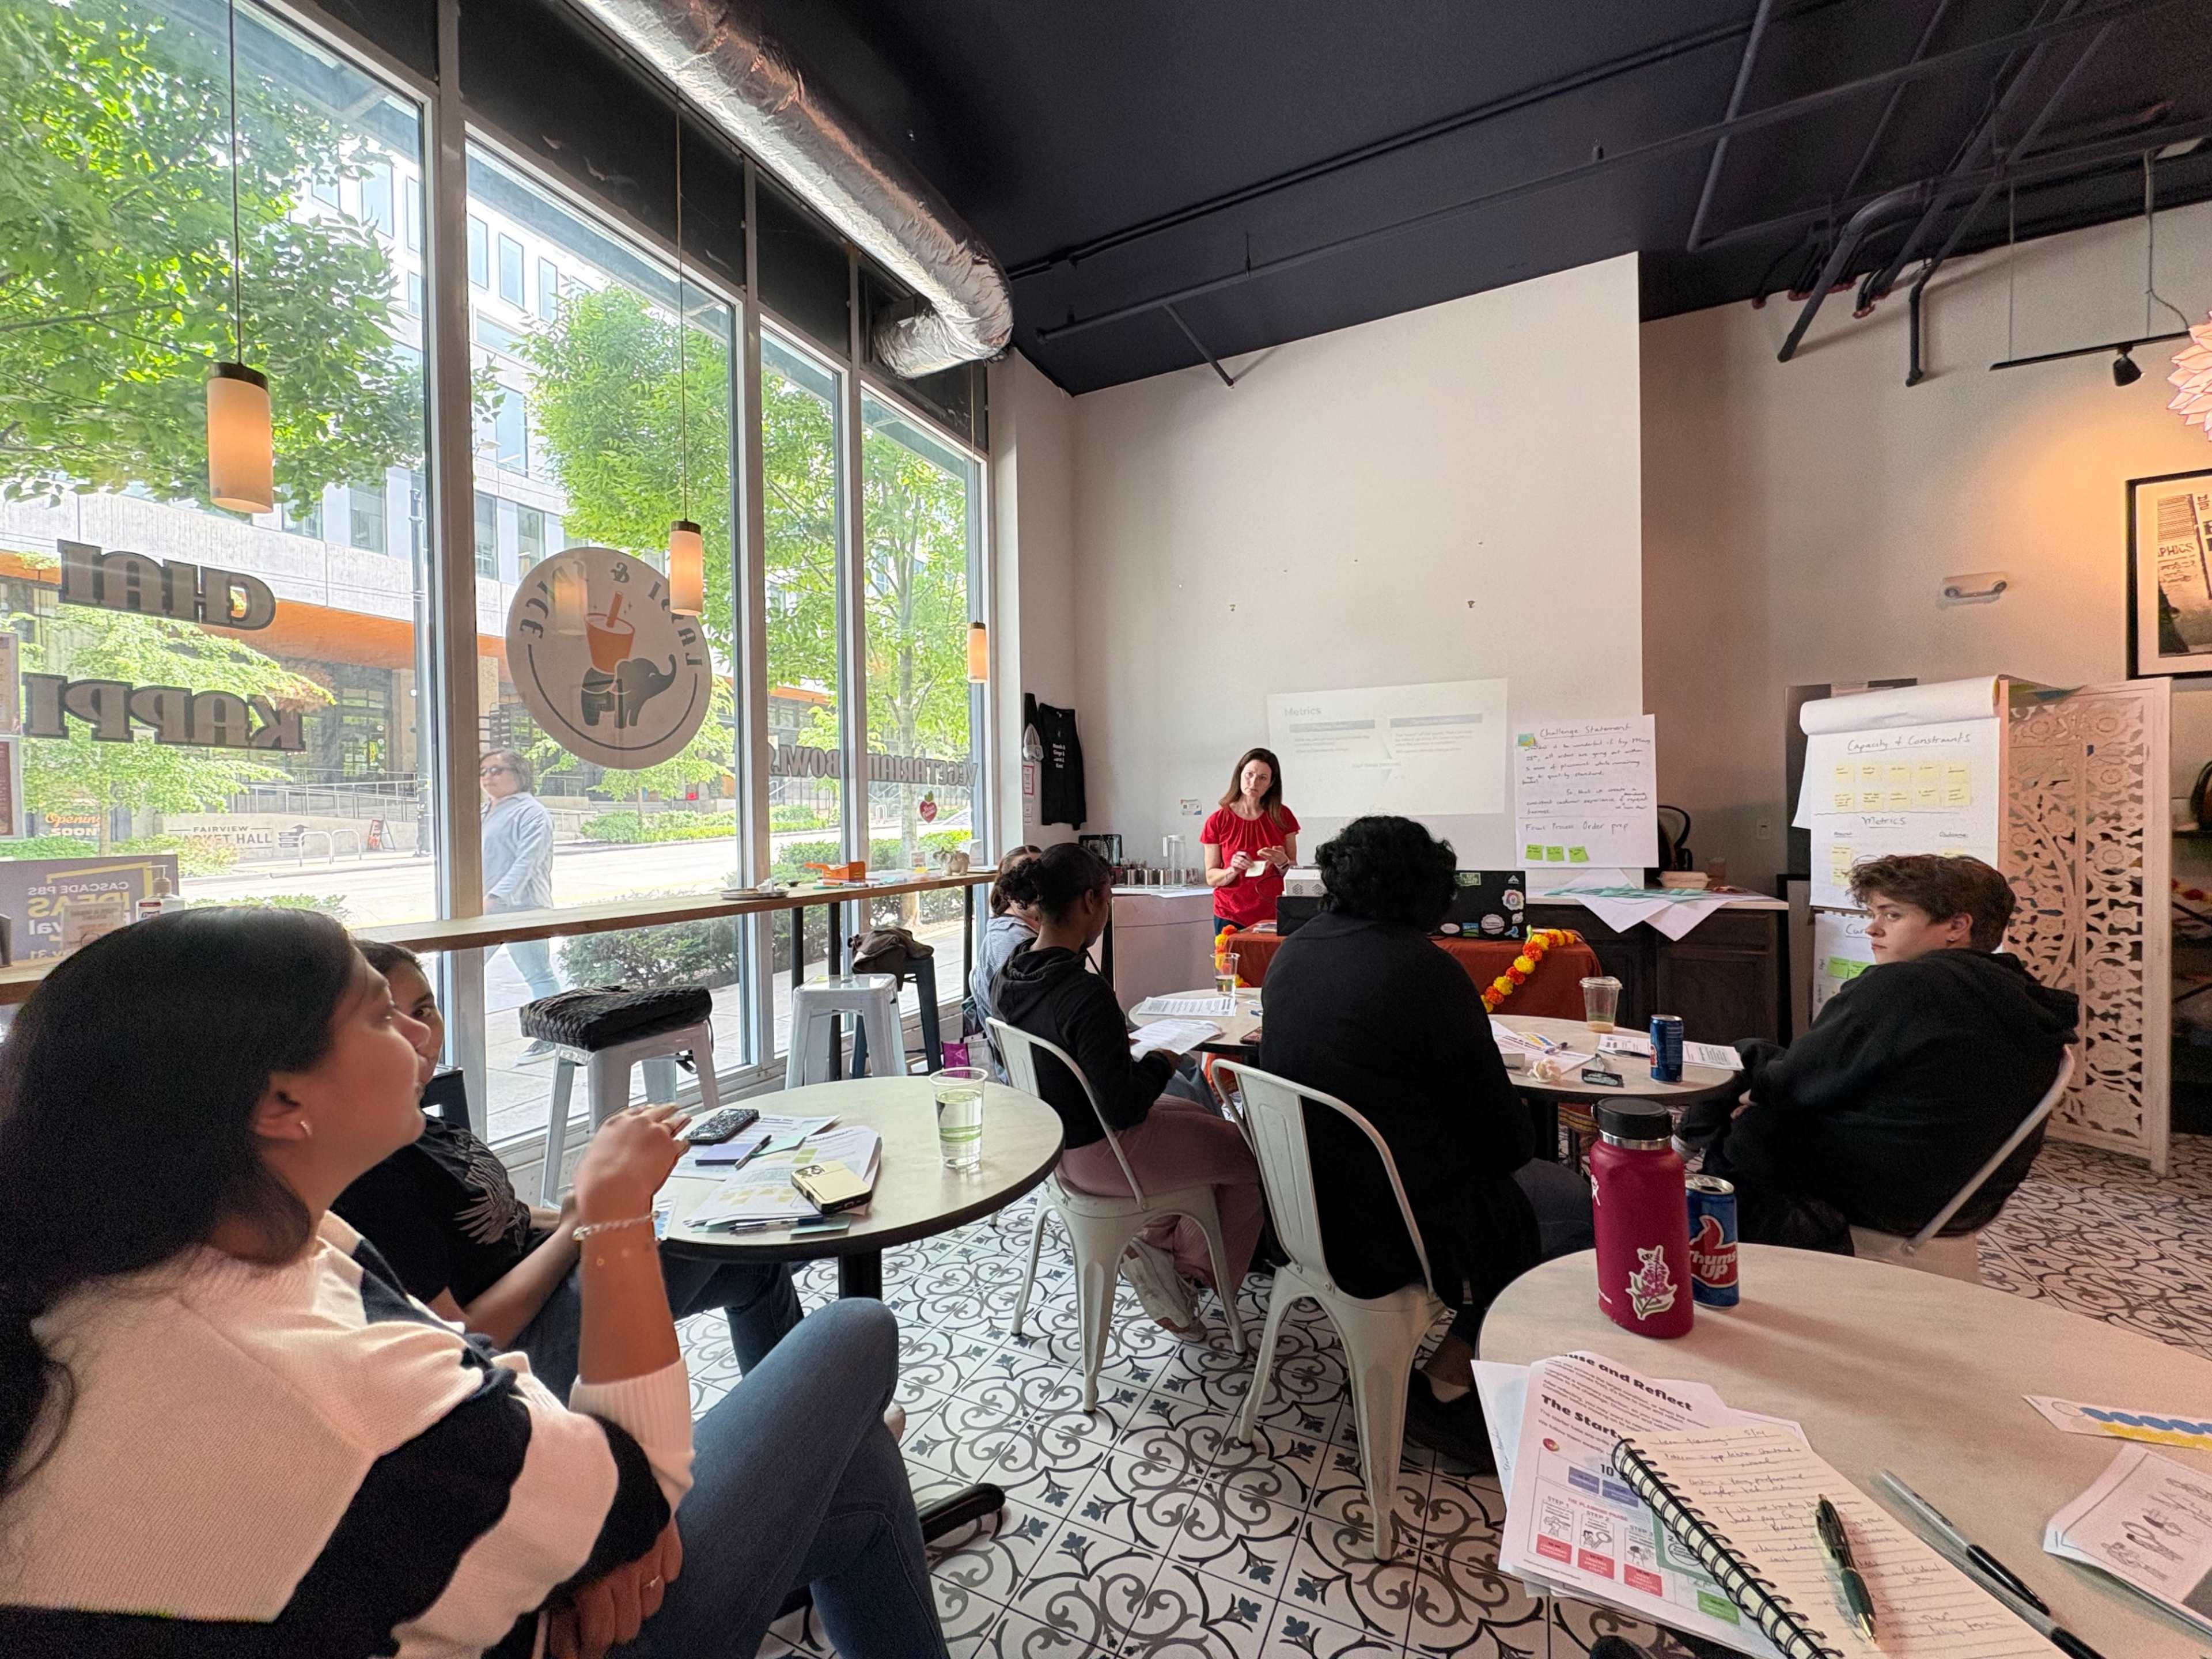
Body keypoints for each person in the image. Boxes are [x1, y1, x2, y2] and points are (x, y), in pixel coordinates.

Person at [0, 908, 946, 1658]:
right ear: (280, 1103)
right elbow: (631, 1492)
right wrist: (608, 1215)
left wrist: (594, 1510)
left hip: (500, 1540)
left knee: (855, 1468)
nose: (417, 1041)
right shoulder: (332, 1394)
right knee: (854, 1329)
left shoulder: (194, 1262)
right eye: (379, 1014)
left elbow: (467, 1371)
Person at [1259, 815, 1593, 1468]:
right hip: (1389, 1223)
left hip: (1302, 1207)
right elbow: (1506, 1143)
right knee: (1573, 1204)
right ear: (1427, 892)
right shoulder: (1424, 971)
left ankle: (1458, 1367)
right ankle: (1455, 1383)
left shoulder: (1294, 951)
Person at [334, 941, 804, 1389]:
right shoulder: (371, 1177)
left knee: (750, 1266)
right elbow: (464, 1340)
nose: (420, 1036)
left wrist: (586, 1210)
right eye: (385, 1022)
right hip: (522, 1343)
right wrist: (580, 1228)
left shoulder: (416, 1123)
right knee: (711, 1229)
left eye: (423, 1011)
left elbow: (503, 1223)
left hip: (551, 1270)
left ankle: (799, 1439)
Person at [1684, 854, 2077, 1253]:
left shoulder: (1906, 987)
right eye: (1874, 913)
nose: (1872, 928)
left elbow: (1795, 1081)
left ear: (1956, 927)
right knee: (1755, 1063)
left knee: (1750, 1111)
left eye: (1892, 915)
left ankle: (1715, 1239)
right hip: (1968, 1196)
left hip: (1890, 1196)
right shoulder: (2014, 993)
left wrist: (1758, 1092)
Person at [994, 842, 1266, 1337]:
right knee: (1247, 1157)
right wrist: (1162, 1060)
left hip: (1054, 1145)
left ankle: (1155, 1240)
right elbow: (1122, 1107)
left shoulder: (1012, 972)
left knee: (1203, 1123)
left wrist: (1126, 1053)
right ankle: (1191, 1277)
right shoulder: (1083, 992)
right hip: (1103, 1149)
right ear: (1092, 900)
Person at [482, 747, 561, 1052]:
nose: (488, 776)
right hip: (485, 908)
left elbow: (527, 862)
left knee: (538, 973)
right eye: (484, 770)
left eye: (497, 770)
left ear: (520, 775)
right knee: (463, 971)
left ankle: (551, 1035)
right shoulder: (483, 811)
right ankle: (452, 1036)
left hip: (523, 907)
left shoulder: (532, 812)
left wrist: (495, 897)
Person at [1202, 747, 1298, 935]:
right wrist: (1233, 870)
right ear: (1240, 775)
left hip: (1274, 912)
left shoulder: (1282, 816)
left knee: (1272, 965)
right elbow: (1211, 877)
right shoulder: (1218, 820)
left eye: (1262, 778)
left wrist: (1282, 862)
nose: (1254, 782)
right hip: (1230, 913)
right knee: (1231, 964)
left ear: (1271, 783)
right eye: (1249, 775)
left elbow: (1294, 872)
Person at [968, 843, 1042, 1079]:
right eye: (1023, 876)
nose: (1035, 885)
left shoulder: (1032, 934)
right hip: (1026, 1071)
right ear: (1009, 889)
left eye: (1039, 873)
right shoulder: (1010, 941)